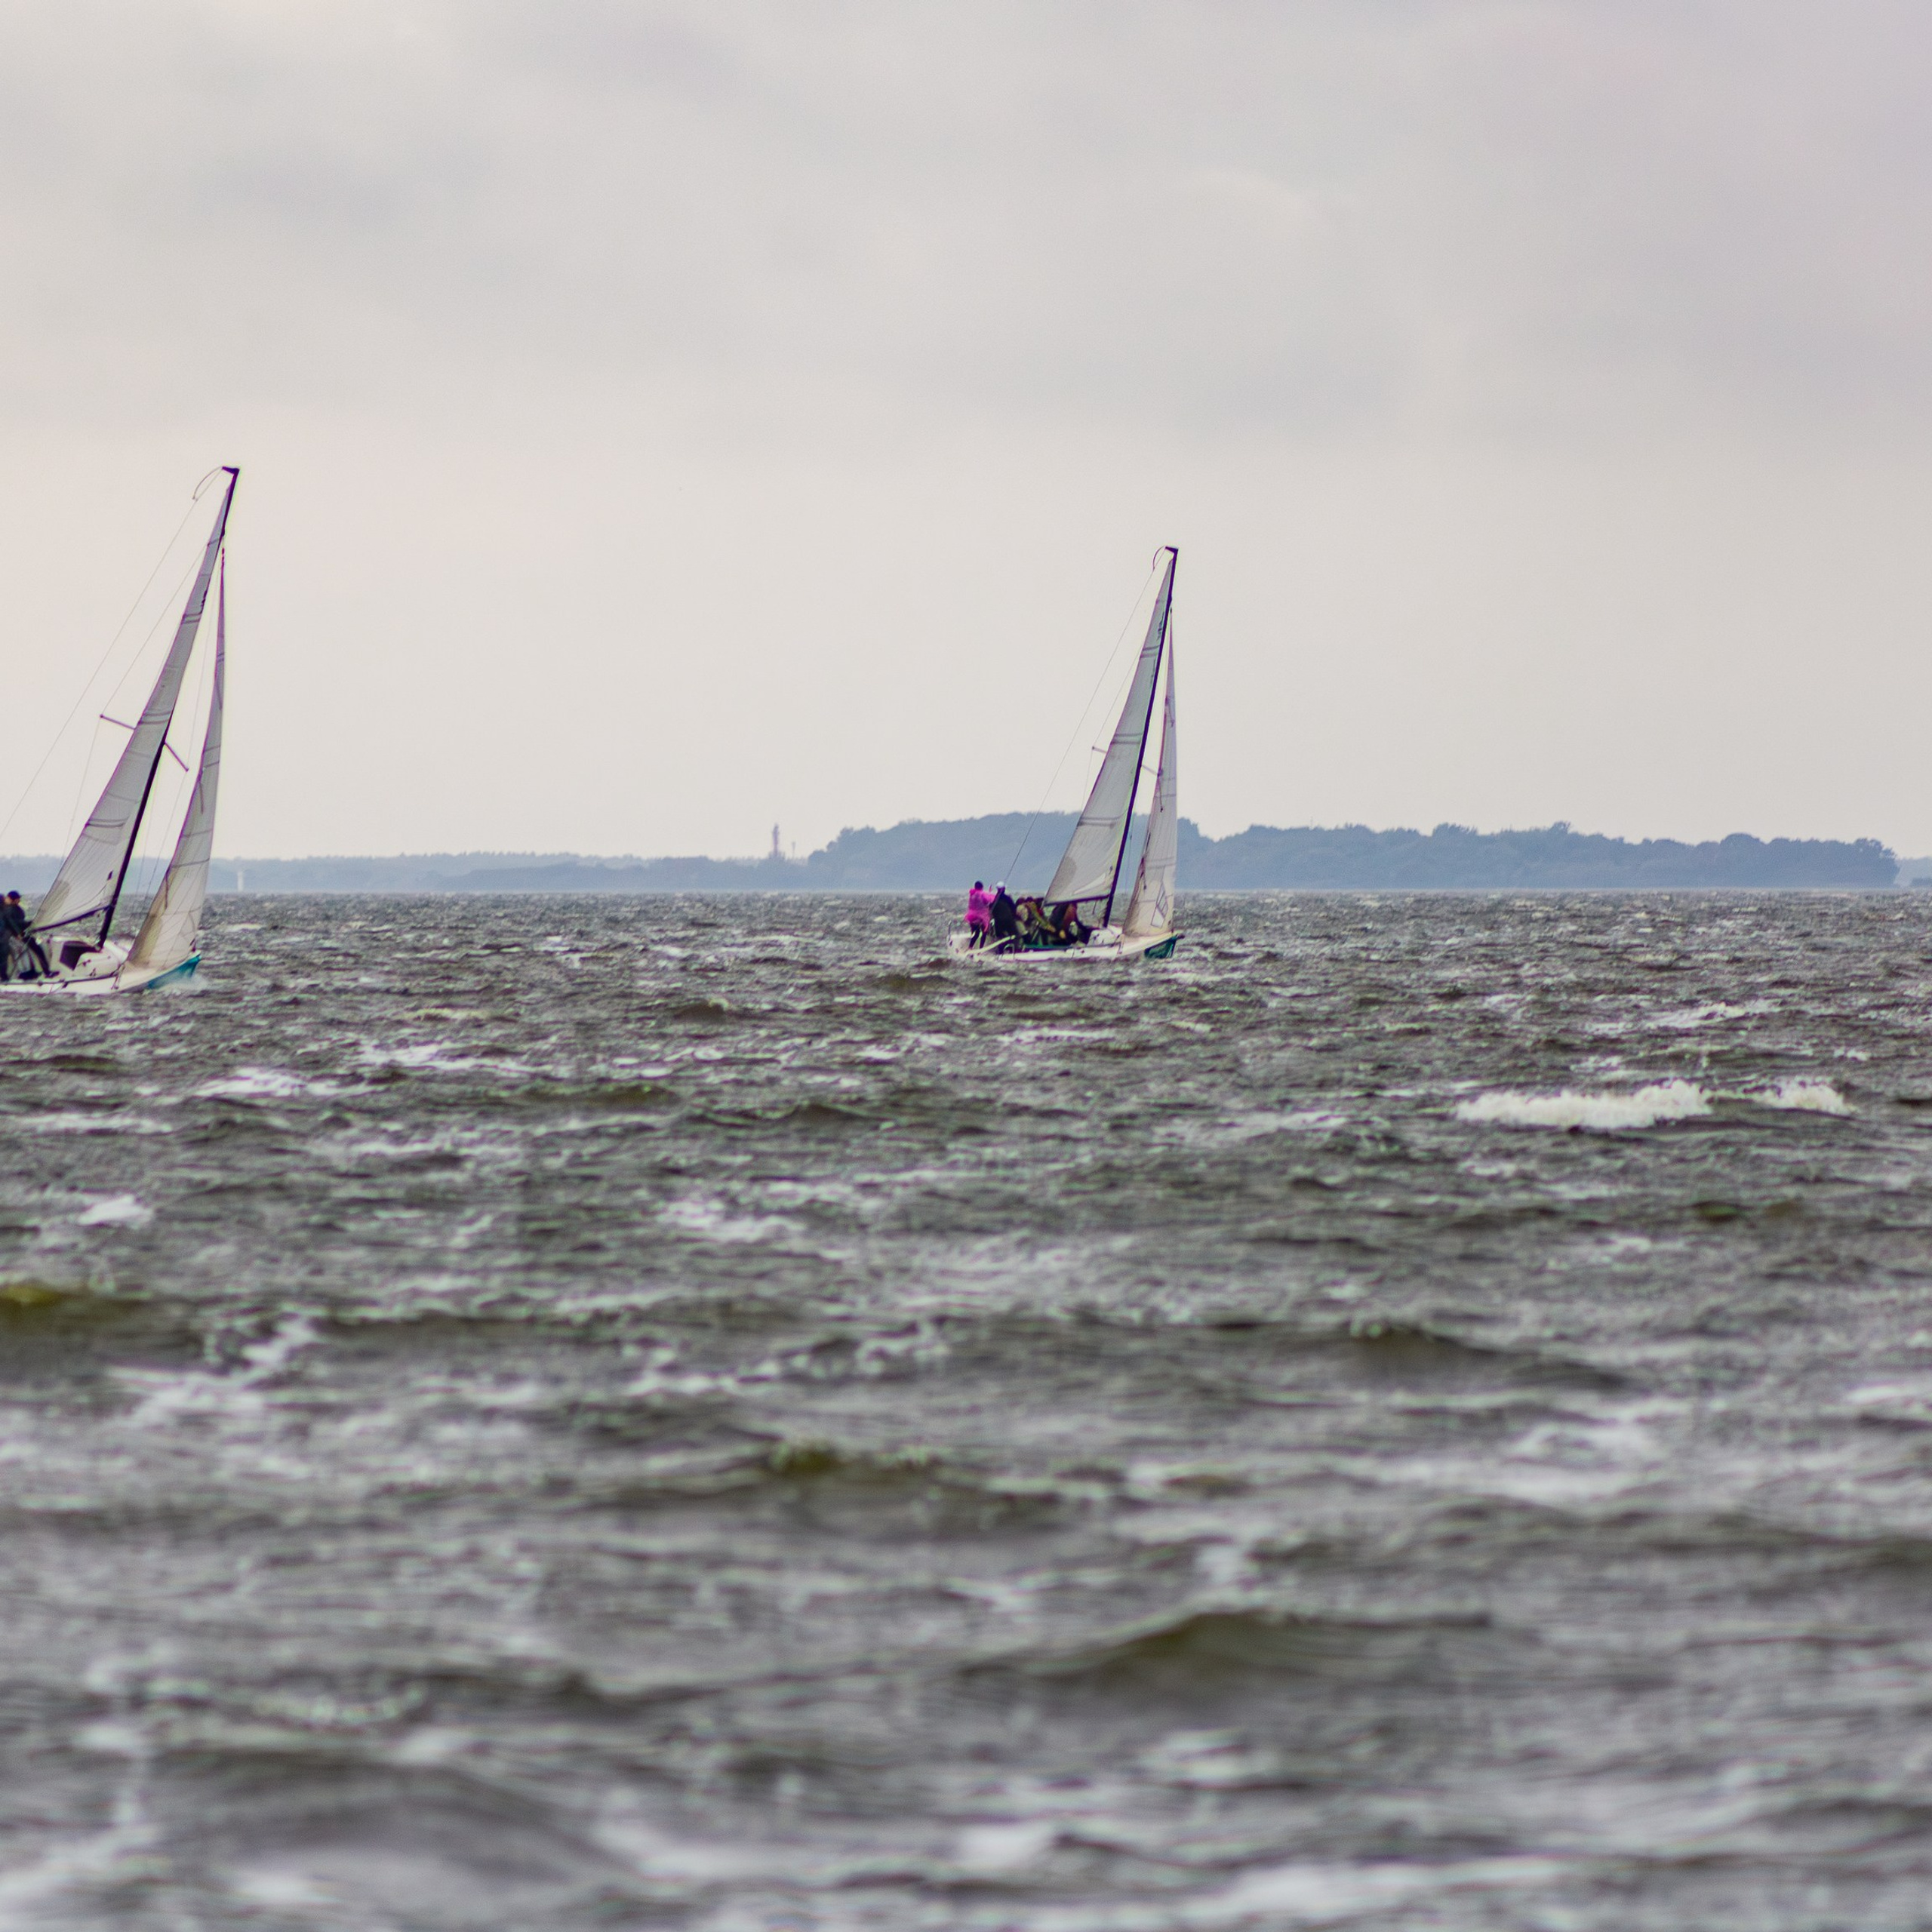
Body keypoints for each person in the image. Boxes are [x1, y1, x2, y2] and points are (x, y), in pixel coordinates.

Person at [4, 893, 51, 980]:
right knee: (28, 952)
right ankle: (28, 973)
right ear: (14, 899)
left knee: (35, 950)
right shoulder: (10, 910)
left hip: (21, 934)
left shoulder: (14, 909)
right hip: (17, 936)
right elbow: (13, 923)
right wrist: (28, 924)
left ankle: (38, 972)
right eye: (18, 899)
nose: (19, 900)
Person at [989, 881, 1020, 945]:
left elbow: (991, 909)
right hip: (1009, 919)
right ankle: (1014, 948)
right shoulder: (1007, 898)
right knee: (1014, 934)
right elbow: (1013, 908)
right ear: (1004, 889)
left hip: (998, 920)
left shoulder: (994, 898)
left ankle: (1001, 949)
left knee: (1000, 935)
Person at [965, 880, 991, 948]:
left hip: (972, 916)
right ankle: (981, 949)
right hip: (982, 917)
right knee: (984, 933)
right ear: (982, 887)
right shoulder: (982, 894)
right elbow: (986, 901)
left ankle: (970, 947)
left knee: (976, 933)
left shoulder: (972, 895)